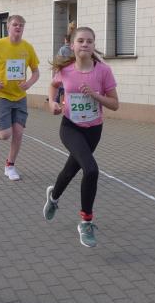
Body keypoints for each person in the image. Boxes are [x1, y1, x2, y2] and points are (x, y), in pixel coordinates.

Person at [44, 27, 119, 247]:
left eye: (89, 41)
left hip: (93, 130)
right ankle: (86, 222)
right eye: (80, 40)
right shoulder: (65, 70)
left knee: (70, 170)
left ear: (94, 45)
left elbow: (115, 104)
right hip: (70, 127)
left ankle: (53, 197)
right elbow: (53, 85)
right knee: (91, 169)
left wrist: (96, 95)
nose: (85, 44)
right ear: (72, 45)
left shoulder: (103, 71)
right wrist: (52, 103)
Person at [0, 14, 40, 181]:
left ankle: (10, 166)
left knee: (18, 133)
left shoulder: (28, 48)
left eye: (21, 25)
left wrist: (29, 83)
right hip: (1, 95)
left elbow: (36, 72)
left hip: (19, 97)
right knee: (6, 134)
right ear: (8, 27)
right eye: (15, 24)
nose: (18, 27)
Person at [55, 21, 77, 103]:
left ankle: (58, 101)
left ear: (65, 40)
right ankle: (65, 101)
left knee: (60, 86)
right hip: (74, 71)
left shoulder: (63, 49)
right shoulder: (75, 49)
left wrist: (57, 69)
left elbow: (59, 60)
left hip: (64, 71)